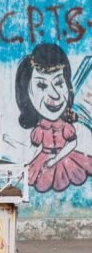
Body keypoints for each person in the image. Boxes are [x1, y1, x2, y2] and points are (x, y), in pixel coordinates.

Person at [15, 43, 92, 193]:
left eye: (59, 82)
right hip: (45, 161)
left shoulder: (64, 126)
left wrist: (54, 159)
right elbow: (35, 149)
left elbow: (72, 143)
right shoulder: (40, 129)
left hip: (66, 161)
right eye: (42, 86)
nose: (55, 95)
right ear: (26, 94)